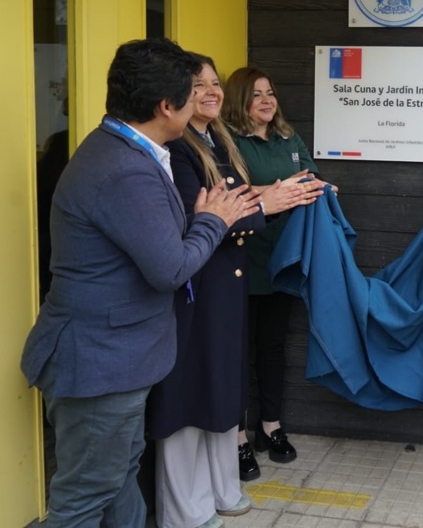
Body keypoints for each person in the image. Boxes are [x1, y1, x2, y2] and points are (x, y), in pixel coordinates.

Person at [19, 38, 259, 527]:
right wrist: (212, 219)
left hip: (118, 361)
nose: (201, 101)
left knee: (118, 479)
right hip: (100, 363)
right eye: (191, 94)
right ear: (165, 106)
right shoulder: (124, 168)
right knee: (84, 497)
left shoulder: (131, 149)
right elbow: (170, 267)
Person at [147, 55, 321, 527]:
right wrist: (263, 203)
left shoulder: (216, 139)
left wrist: (259, 202)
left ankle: (221, 489)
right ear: (174, 97)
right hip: (195, 285)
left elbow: (231, 205)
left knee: (222, 385)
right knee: (189, 393)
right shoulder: (176, 148)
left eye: (214, 83)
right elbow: (201, 216)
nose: (210, 91)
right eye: (197, 84)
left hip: (225, 279)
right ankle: (186, 509)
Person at [222, 66, 331, 480]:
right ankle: (236, 437)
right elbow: (238, 197)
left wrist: (318, 186)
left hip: (281, 261)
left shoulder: (288, 137)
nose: (267, 101)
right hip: (240, 262)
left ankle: (270, 427)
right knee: (238, 352)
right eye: (256, 95)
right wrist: (280, 192)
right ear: (239, 101)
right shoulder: (229, 142)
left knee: (272, 348)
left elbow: (311, 176)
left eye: (270, 93)